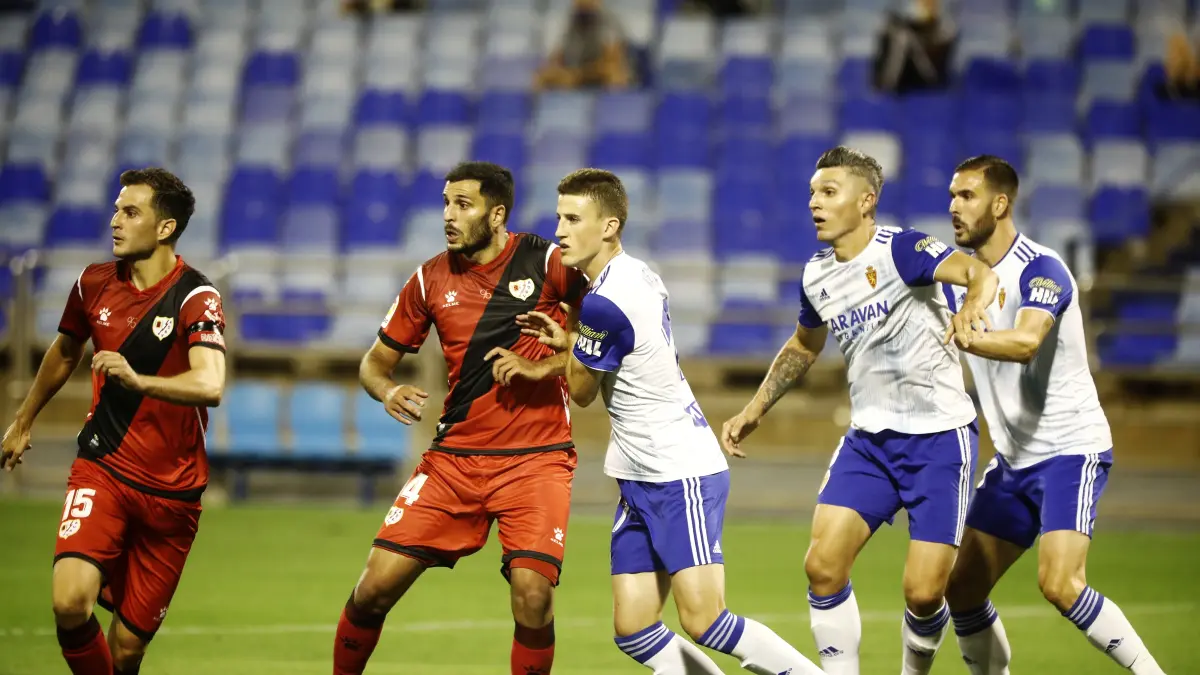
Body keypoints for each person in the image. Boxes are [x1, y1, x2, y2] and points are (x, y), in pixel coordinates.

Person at [517, 168, 824, 675]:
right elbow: (621, 353)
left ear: (609, 226)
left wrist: (570, 343)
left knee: (707, 621)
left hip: (678, 472)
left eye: (573, 219)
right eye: (559, 218)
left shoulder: (603, 302)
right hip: (640, 474)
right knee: (635, 629)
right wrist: (576, 343)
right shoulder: (636, 274)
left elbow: (582, 393)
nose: (560, 231)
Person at [720, 146, 1000, 675]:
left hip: (939, 440)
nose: (814, 203)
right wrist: (755, 409)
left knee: (924, 593)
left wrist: (970, 307)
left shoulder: (903, 250)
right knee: (822, 566)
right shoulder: (816, 275)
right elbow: (804, 345)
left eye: (829, 192)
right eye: (812, 193)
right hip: (869, 442)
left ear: (866, 200)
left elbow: (980, 273)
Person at [331, 161, 586, 675]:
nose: (448, 215)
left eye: (463, 205)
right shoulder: (429, 279)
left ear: (497, 215)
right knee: (374, 588)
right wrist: (388, 389)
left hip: (535, 459)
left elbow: (596, 345)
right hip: (455, 461)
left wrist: (544, 366)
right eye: (446, 203)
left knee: (533, 595)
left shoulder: (550, 263)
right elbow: (372, 365)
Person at [933, 155, 1166, 674]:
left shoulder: (1042, 268)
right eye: (951, 196)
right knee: (961, 589)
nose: (953, 207)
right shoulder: (958, 279)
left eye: (966, 196)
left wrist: (967, 337)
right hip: (1013, 461)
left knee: (1061, 584)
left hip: (1069, 451)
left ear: (1000, 204)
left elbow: (1026, 342)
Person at [1, 167, 226, 675]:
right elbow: (65, 350)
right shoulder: (92, 284)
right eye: (116, 210)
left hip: (173, 495)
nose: (115, 221)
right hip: (103, 468)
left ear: (164, 228)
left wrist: (138, 380)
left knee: (126, 650)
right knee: (69, 602)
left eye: (130, 212)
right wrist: (23, 419)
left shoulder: (196, 297)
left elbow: (210, 384)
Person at [534, 0, 633, 91]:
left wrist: (581, 74)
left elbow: (612, 61)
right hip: (575, 71)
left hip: (598, 72)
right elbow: (557, 56)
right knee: (542, 77)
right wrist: (562, 71)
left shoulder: (609, 20)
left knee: (614, 76)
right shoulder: (571, 19)